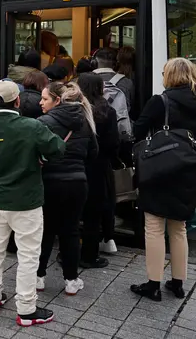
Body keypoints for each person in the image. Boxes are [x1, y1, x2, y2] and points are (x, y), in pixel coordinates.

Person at [0, 80, 65, 327]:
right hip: (27, 201)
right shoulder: (32, 126)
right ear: (18, 101)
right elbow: (58, 148)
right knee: (29, 255)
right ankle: (26, 309)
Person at [130, 58, 196, 301]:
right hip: (189, 169)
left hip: (160, 169)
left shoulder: (161, 101)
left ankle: (153, 284)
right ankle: (178, 283)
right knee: (179, 227)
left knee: (154, 226)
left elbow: (138, 130)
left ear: (171, 76)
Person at [36, 82, 98, 296]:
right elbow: (93, 153)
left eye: (44, 99)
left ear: (57, 100)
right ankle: (71, 280)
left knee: (45, 230)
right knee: (70, 231)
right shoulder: (85, 122)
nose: (40, 102)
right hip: (77, 183)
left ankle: (38, 277)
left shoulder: (43, 122)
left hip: (48, 183)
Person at [77, 73, 120, 267]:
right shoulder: (107, 111)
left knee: (72, 213)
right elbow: (113, 143)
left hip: (75, 165)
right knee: (93, 215)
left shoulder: (73, 109)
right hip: (99, 167)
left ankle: (67, 253)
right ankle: (89, 255)